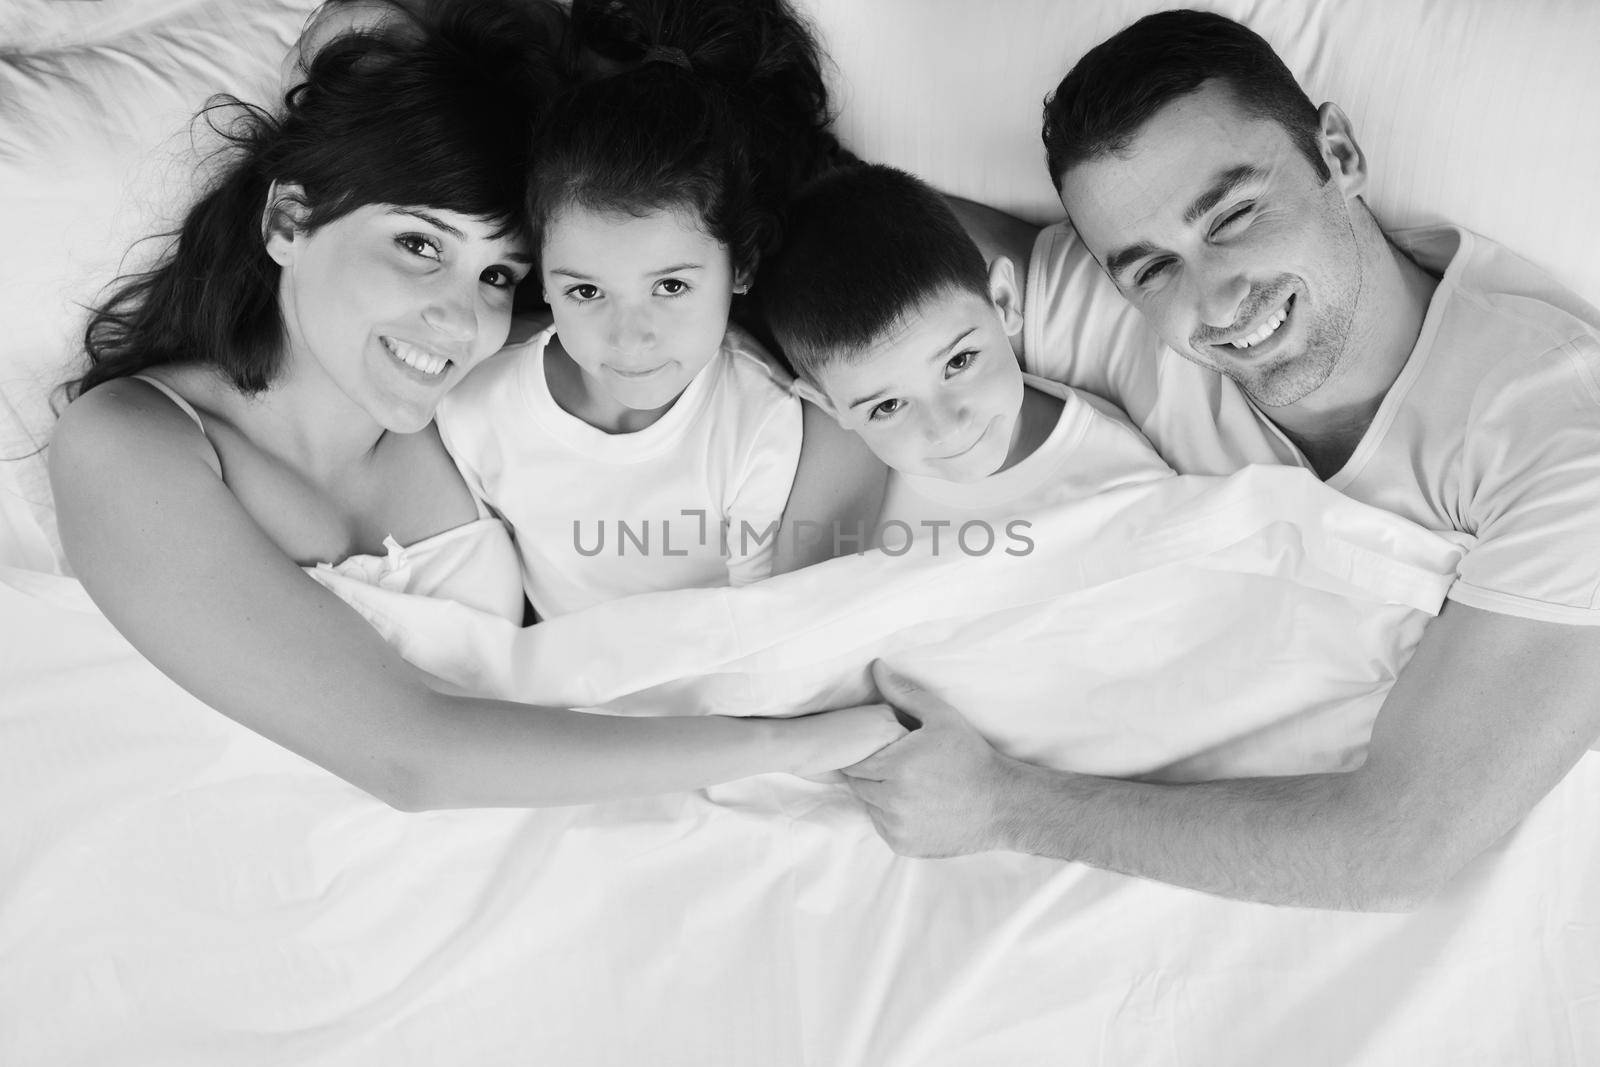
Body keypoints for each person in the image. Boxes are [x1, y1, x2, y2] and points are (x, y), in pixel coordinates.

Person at [47, 4, 904, 813]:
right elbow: (409, 758)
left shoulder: (491, 381)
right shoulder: (131, 445)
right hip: (299, 880)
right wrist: (801, 740)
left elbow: (765, 338)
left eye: (498, 274)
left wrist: (798, 612)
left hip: (568, 837)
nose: (461, 318)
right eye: (420, 244)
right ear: (288, 219)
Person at [837, 9, 1600, 911]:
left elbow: (1399, 844)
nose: (1216, 299)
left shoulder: (1557, 433)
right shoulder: (1123, 318)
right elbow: (848, 240)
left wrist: (1004, 806)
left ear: (1341, 157)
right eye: (1150, 268)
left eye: (1235, 215)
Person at [436, 0, 866, 618]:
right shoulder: (473, 401)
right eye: (586, 291)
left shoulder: (760, 428)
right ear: (545, 281)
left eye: (670, 287)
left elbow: (763, 644)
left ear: (739, 268)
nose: (630, 338)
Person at [760, 162, 1169, 557]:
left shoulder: (1120, 479)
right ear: (832, 406)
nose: (946, 427)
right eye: (887, 407)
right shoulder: (837, 494)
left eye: (958, 362)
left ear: (1004, 302)